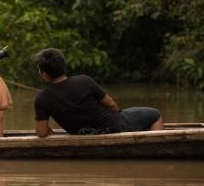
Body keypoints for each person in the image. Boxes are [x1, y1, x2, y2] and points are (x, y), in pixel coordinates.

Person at [33, 48, 164, 137]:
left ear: (44, 75)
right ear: (63, 66)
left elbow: (41, 133)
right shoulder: (84, 81)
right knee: (155, 114)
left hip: (80, 134)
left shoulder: (42, 98)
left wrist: (49, 130)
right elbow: (112, 105)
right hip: (114, 126)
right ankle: (155, 145)